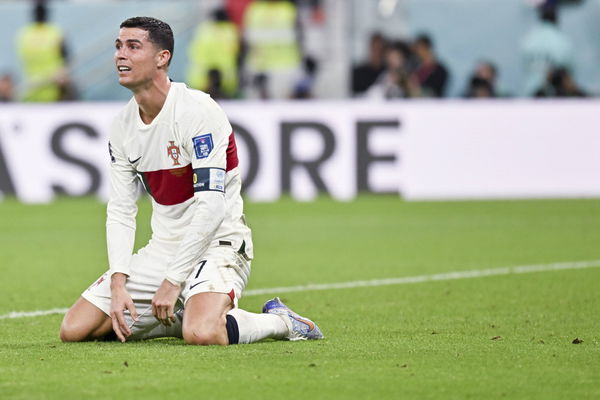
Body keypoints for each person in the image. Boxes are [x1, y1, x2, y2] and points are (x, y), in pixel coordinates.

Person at [59, 17, 323, 345]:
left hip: (218, 242)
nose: (120, 55)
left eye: (133, 46)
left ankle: (281, 322)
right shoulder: (122, 127)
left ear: (163, 57)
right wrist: (118, 281)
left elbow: (211, 206)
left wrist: (173, 281)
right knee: (75, 329)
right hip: (164, 248)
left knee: (202, 333)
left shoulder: (197, 112)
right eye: (118, 46)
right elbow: (121, 211)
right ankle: (185, 313)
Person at [16, 1, 76, 102]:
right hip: (53, 89)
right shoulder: (55, 32)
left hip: (31, 89)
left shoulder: (24, 34)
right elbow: (67, 58)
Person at [186, 7, 239, 98]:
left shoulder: (203, 30)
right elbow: (235, 51)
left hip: (201, 78)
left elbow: (194, 50)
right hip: (225, 78)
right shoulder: (230, 31)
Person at [520, 4, 573, 96]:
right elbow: (569, 68)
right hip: (556, 96)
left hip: (529, 94)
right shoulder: (562, 40)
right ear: (556, 18)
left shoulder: (527, 40)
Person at [412, 33, 449, 98]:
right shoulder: (415, 67)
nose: (418, 52)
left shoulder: (441, 71)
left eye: (420, 48)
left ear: (428, 48)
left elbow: (436, 91)